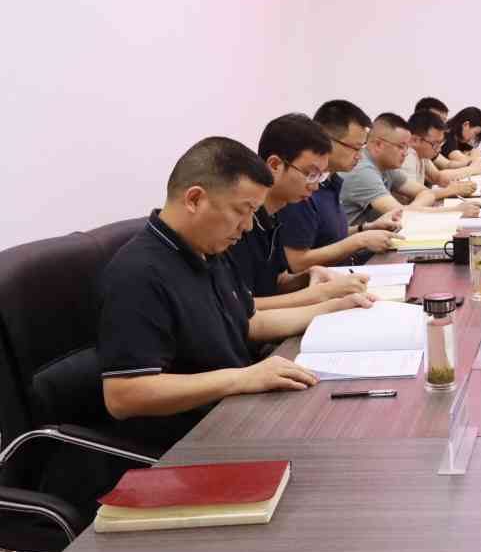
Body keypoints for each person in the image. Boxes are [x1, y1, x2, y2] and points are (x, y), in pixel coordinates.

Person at [99, 137, 373, 452]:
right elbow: (123, 396)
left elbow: (248, 322)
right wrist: (243, 378)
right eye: (242, 211)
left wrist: (333, 307)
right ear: (195, 199)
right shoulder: (138, 273)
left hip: (238, 410)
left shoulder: (209, 250)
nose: (247, 227)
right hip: (194, 439)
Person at [226, 113, 371, 309]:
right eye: (310, 174)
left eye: (320, 176)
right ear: (275, 165)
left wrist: (308, 275)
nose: (315, 186)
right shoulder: (238, 224)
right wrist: (321, 294)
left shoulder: (274, 214)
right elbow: (240, 308)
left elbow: (276, 282)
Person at [278, 100, 401, 272]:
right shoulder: (302, 188)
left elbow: (327, 237)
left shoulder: (331, 180)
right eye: (355, 148)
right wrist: (359, 241)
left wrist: (365, 228)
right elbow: (296, 262)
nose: (360, 156)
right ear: (326, 140)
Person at [339, 113, 441, 227]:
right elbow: (402, 215)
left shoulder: (385, 165)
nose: (405, 153)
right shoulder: (363, 171)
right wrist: (454, 210)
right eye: (401, 146)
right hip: (356, 237)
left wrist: (411, 209)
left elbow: (426, 192)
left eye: (407, 147)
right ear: (378, 145)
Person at [398, 109, 481, 196]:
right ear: (415, 140)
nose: (439, 150)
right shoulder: (407, 156)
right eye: (435, 144)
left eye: (440, 143)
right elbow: (416, 195)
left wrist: (460, 186)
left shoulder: (421, 154)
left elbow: (438, 177)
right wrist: (452, 190)